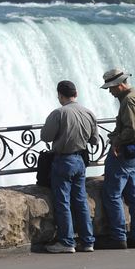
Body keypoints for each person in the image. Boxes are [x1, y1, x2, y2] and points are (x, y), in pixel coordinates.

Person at [40, 80, 99, 254]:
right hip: (81, 160)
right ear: (76, 94)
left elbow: (46, 136)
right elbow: (95, 140)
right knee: (80, 201)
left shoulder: (59, 113)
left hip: (63, 160)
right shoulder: (89, 113)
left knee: (63, 201)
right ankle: (88, 241)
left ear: (60, 95)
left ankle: (67, 241)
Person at [97, 67, 135, 250]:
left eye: (111, 88)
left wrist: (116, 141)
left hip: (125, 151)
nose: (110, 92)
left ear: (119, 85)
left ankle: (118, 237)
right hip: (133, 151)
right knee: (134, 196)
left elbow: (133, 130)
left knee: (112, 194)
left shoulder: (129, 101)